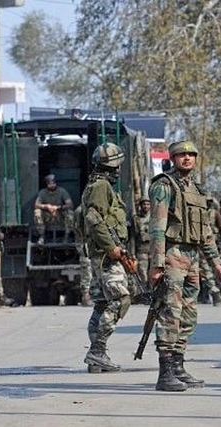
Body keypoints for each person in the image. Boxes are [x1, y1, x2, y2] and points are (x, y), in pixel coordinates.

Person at [148, 140, 221, 392]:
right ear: (173, 158)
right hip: (172, 254)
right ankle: (165, 371)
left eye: (191, 154)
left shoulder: (197, 189)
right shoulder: (163, 185)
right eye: (182, 155)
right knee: (171, 311)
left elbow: (206, 231)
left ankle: (178, 366)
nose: (187, 158)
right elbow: (157, 226)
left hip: (192, 257)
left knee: (189, 313)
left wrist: (215, 261)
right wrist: (157, 263)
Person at [81, 143, 133, 373]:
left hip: (102, 253)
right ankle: (98, 351)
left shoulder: (97, 185)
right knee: (120, 300)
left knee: (102, 304)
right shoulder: (101, 186)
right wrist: (112, 247)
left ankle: (96, 357)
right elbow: (94, 219)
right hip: (106, 255)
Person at [34, 174, 75, 245]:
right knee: (37, 212)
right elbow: (36, 204)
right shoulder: (43, 192)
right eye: (50, 184)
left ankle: (67, 236)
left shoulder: (62, 191)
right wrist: (47, 206)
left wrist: (58, 208)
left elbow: (70, 204)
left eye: (53, 183)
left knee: (70, 213)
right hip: (48, 216)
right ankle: (42, 236)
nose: (52, 185)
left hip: (59, 215)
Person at [73, 204, 93, 307]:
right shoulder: (80, 211)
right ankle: (86, 295)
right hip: (84, 242)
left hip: (94, 242)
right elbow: (78, 229)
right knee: (86, 267)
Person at [134, 197, 152, 289]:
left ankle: (154, 292)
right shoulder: (136, 219)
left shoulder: (154, 217)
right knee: (142, 272)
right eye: (144, 204)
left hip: (153, 248)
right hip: (142, 249)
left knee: (153, 272)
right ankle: (145, 292)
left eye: (148, 204)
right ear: (141, 206)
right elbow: (133, 236)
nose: (146, 206)